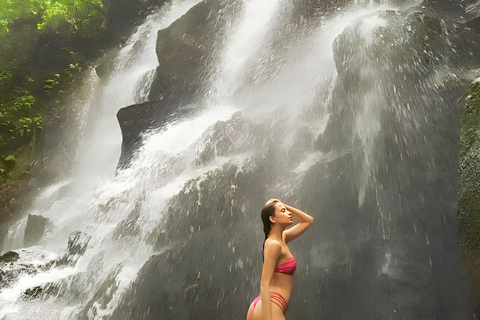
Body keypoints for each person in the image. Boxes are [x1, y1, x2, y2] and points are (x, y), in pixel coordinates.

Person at [246, 199, 314, 320]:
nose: (289, 213)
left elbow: (308, 221)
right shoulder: (274, 245)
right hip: (271, 306)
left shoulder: (282, 238)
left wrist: (283, 204)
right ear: (272, 219)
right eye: (283, 211)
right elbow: (264, 284)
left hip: (265, 305)